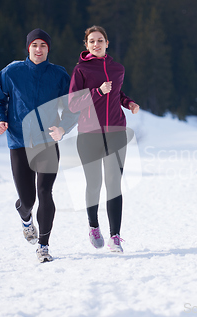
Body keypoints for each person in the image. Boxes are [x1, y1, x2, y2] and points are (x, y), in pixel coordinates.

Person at [0, 28, 78, 262]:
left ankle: (44, 246)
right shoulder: (12, 72)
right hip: (19, 142)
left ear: (49, 49)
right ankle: (25, 218)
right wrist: (0, 120)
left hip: (47, 142)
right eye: (35, 45)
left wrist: (62, 128)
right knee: (28, 200)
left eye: (43, 46)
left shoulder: (59, 75)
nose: (39, 50)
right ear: (28, 48)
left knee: (45, 192)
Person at [69, 25, 139, 253]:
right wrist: (98, 91)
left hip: (117, 131)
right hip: (89, 133)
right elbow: (73, 104)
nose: (96, 44)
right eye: (91, 41)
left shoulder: (118, 69)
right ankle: (93, 226)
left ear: (107, 43)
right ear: (86, 45)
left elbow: (117, 93)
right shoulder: (81, 70)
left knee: (114, 184)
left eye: (100, 40)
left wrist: (128, 103)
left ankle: (115, 236)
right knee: (94, 183)